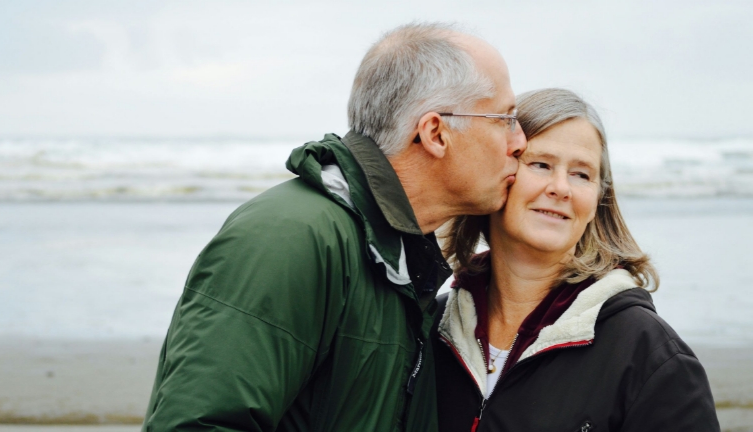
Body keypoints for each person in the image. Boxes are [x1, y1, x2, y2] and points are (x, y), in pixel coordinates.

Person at [141, 23, 526, 432]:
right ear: (435, 133)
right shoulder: (290, 237)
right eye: (505, 118)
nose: (519, 141)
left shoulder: (400, 258)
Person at [434, 88, 719, 432]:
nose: (561, 187)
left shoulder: (650, 355)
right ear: (500, 171)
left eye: (581, 174)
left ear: (599, 198)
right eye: (540, 164)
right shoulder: (431, 327)